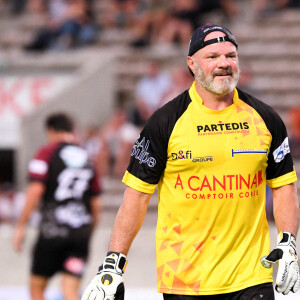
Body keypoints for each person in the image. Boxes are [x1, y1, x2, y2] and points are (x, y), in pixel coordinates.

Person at [81, 24, 300, 299]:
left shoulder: (266, 119)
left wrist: (289, 243)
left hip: (250, 278)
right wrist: (113, 264)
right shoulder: (164, 123)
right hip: (185, 281)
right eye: (213, 57)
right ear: (192, 64)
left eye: (231, 56)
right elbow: (135, 199)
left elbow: (283, 187)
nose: (224, 64)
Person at [13, 113, 102, 300]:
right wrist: (88, 234)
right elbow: (96, 204)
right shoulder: (88, 158)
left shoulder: (46, 153)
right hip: (80, 233)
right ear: (72, 130)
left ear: (50, 130)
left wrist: (21, 226)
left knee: (37, 288)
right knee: (70, 291)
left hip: (52, 231)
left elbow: (35, 191)